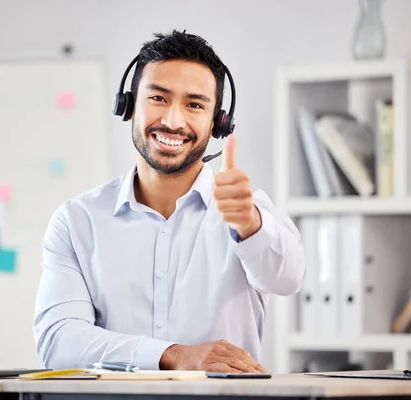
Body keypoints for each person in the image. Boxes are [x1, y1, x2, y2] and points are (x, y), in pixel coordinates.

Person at [33, 30, 305, 373]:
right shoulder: (77, 220)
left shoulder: (247, 210)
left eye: (194, 104)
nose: (173, 121)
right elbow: (58, 341)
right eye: (158, 98)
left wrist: (250, 227)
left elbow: (289, 278)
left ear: (218, 122)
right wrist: (174, 356)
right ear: (129, 107)